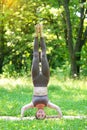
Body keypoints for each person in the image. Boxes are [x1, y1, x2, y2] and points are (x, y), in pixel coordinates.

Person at [21, 24, 62, 119]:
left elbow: (23, 108)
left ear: (36, 113)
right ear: (45, 114)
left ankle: (36, 34)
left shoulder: (33, 104)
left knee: (35, 56)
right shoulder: (48, 104)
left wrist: (21, 118)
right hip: (45, 79)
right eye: (42, 115)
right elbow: (58, 109)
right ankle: (42, 34)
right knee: (44, 56)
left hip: (35, 80)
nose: (40, 113)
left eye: (38, 115)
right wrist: (56, 117)